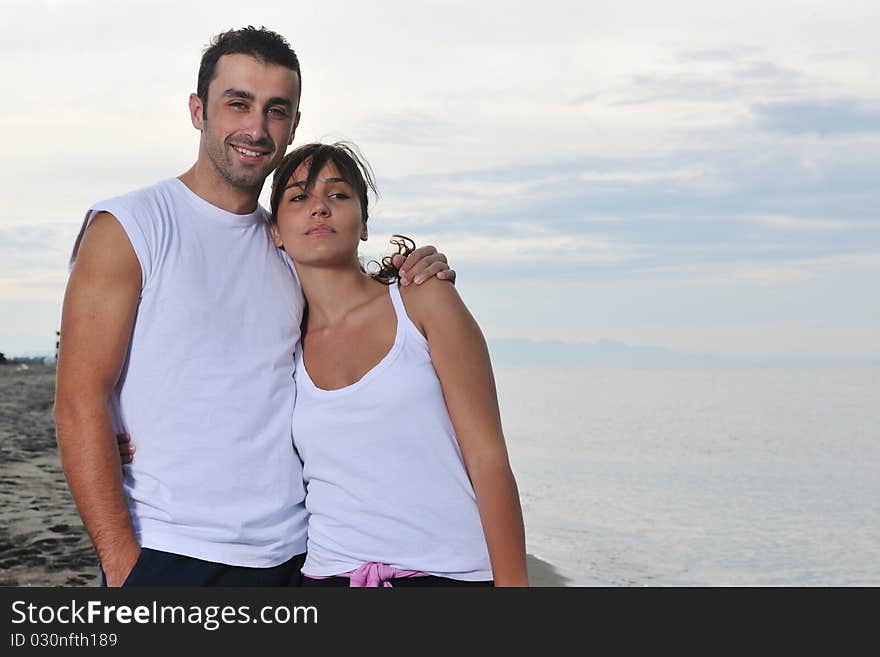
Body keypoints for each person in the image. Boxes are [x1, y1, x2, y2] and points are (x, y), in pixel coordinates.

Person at [53, 26, 453, 588]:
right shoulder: (132, 226)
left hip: (294, 555)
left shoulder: (290, 246)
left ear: (292, 126)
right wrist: (124, 571)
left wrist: (415, 269)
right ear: (198, 110)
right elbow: (77, 402)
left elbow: (358, 312)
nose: (255, 128)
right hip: (170, 550)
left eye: (275, 110)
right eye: (237, 103)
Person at [266, 142, 528, 586]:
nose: (319, 209)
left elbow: (487, 456)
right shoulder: (279, 343)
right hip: (329, 576)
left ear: (363, 224)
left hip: (449, 574)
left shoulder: (424, 300)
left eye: (338, 195)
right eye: (298, 197)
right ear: (276, 231)